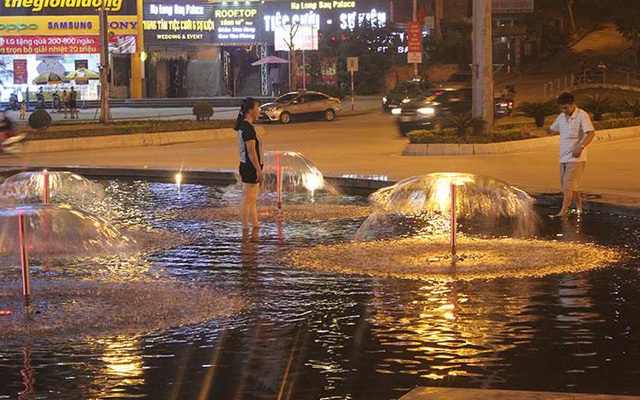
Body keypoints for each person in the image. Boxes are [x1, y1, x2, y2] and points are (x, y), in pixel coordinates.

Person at [547, 92, 596, 218]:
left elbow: (590, 133)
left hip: (577, 158)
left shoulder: (581, 115)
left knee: (568, 185)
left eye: (566, 108)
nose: (564, 110)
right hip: (563, 157)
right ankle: (580, 208)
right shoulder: (561, 117)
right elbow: (550, 131)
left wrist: (581, 147)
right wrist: (531, 133)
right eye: (561, 108)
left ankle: (562, 212)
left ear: (574, 104)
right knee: (570, 185)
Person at [235, 97, 263, 231]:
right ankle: (245, 229)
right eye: (257, 108)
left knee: (252, 199)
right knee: (247, 199)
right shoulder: (247, 128)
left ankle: (255, 226)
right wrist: (258, 170)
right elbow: (251, 151)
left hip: (249, 166)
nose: (259, 111)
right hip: (250, 167)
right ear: (251, 111)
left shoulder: (246, 126)